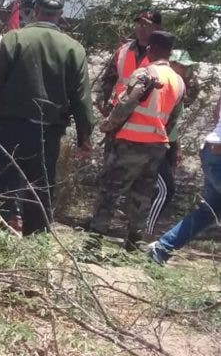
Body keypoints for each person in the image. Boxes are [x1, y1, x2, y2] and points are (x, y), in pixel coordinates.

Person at [0, 0, 96, 235]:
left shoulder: (15, 39)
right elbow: (81, 98)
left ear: (35, 10)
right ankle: (36, 241)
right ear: (60, 14)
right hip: (47, 134)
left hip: (10, 128)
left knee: (5, 183)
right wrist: (84, 136)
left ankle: (1, 237)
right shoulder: (73, 49)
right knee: (40, 188)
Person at [89, 31, 185, 246]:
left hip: (129, 142)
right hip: (156, 145)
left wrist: (108, 126)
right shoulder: (178, 81)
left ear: (152, 48)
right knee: (142, 194)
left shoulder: (145, 74)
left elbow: (125, 105)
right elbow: (173, 120)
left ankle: (93, 242)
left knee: (110, 191)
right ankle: (133, 242)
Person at [148, 92, 221, 265]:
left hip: (212, 151)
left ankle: (161, 249)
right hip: (218, 154)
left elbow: (216, 113)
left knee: (209, 212)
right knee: (209, 212)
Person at [144, 49, 200, 235]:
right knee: (166, 189)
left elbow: (172, 124)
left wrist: (176, 146)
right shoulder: (163, 84)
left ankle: (140, 230)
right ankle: (145, 232)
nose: (185, 71)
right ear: (172, 63)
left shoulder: (179, 87)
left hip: (165, 144)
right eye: (182, 66)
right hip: (152, 143)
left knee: (155, 188)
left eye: (187, 67)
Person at [94, 9, 162, 115]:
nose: (141, 27)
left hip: (144, 115)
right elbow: (108, 79)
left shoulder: (161, 55)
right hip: (118, 112)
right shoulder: (123, 50)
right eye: (139, 24)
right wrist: (102, 100)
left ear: (157, 28)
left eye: (146, 25)